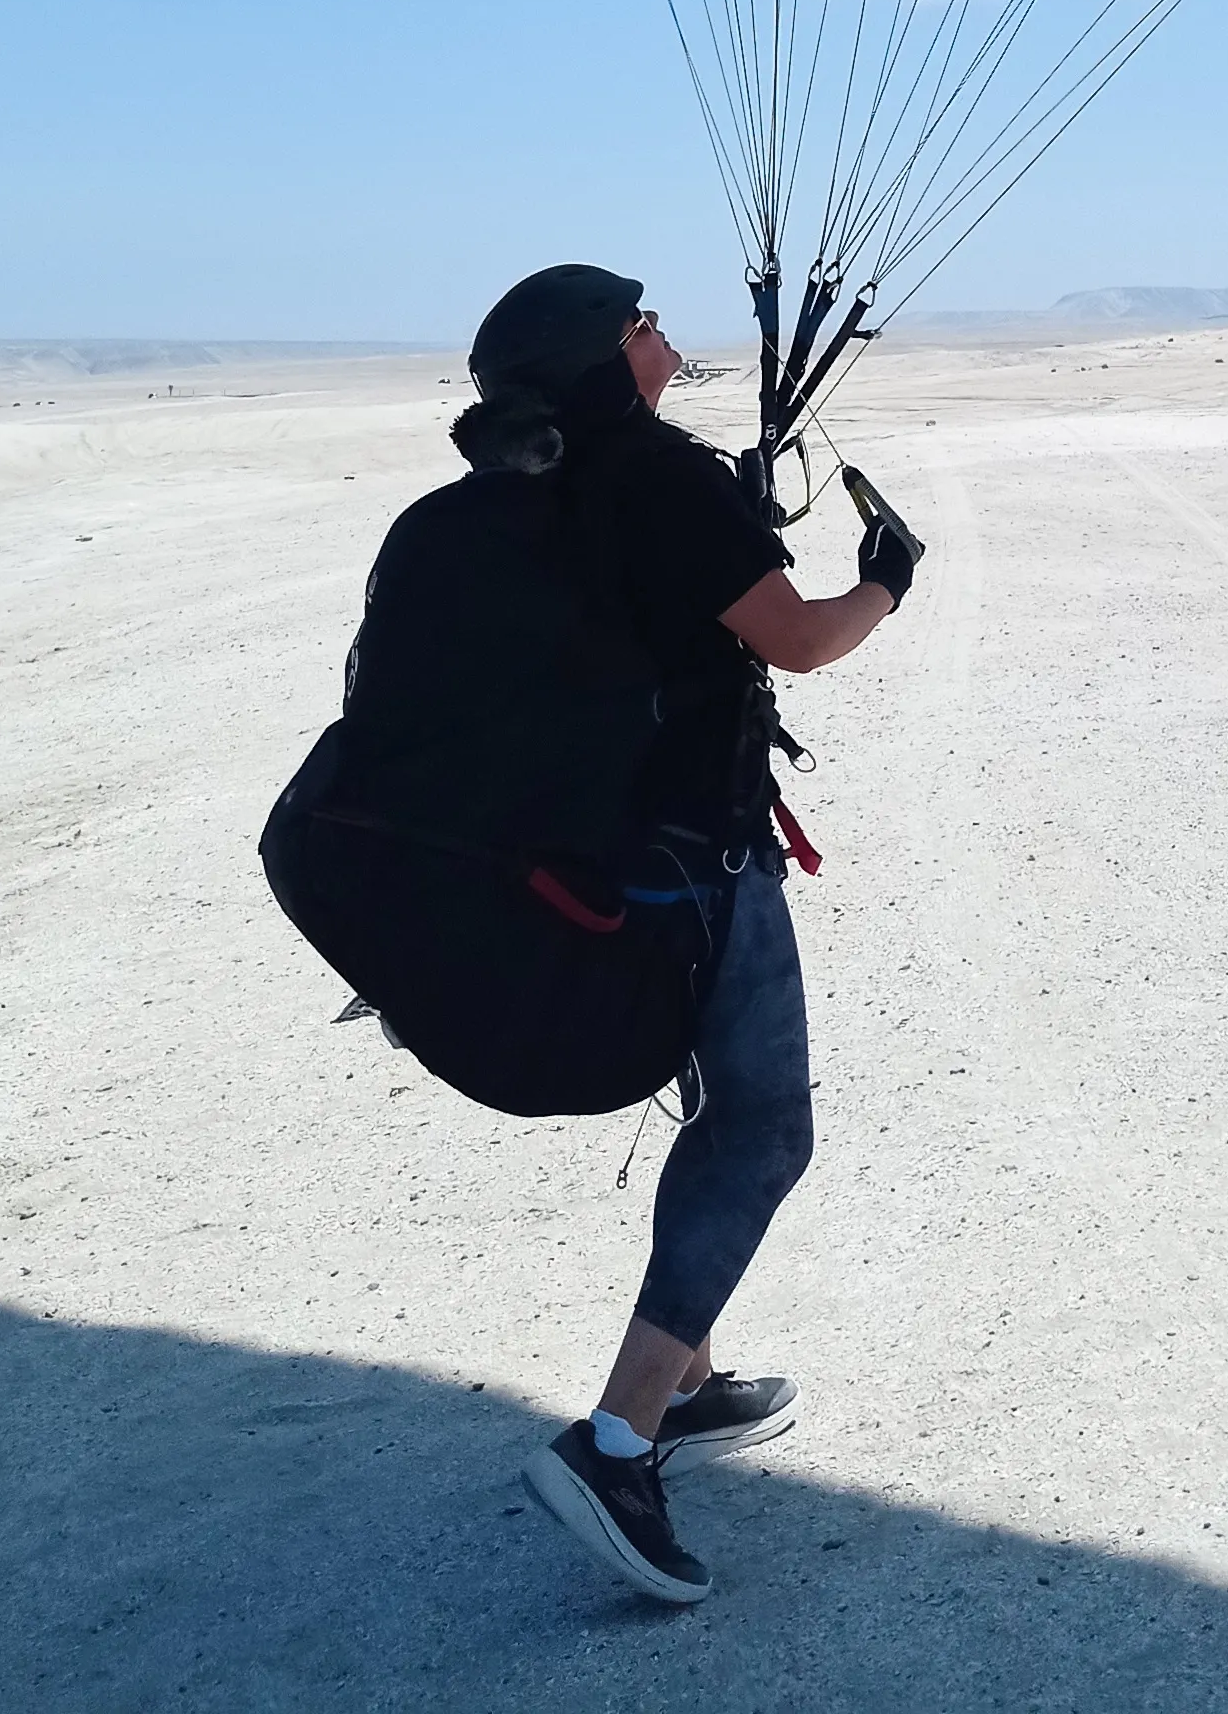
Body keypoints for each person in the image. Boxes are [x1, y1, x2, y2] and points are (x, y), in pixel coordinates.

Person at [439, 261, 917, 1608]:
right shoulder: (660, 481)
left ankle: (690, 1380)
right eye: (640, 325)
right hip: (694, 863)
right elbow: (805, 641)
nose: (664, 334)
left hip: (602, 860)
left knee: (721, 1117)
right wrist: (887, 579)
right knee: (766, 1127)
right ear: (602, 362)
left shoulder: (554, 477)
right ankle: (620, 1437)